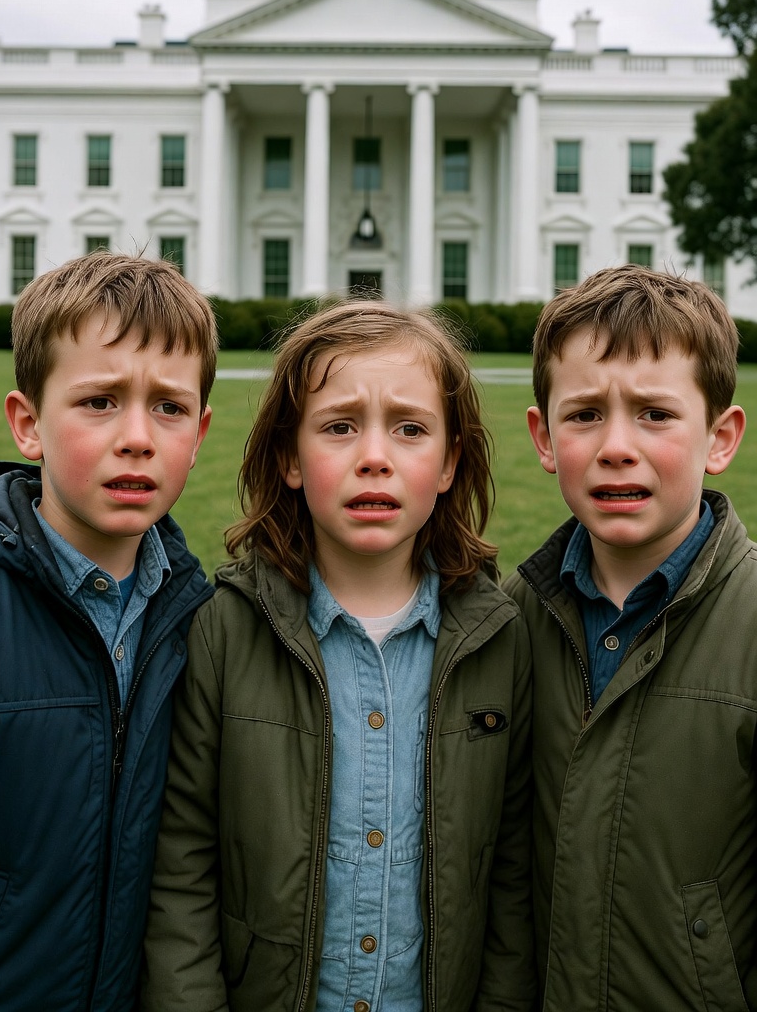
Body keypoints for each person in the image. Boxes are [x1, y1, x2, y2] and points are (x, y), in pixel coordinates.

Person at [140, 300, 535, 1012]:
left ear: (449, 462)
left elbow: (510, 878)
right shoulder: (222, 630)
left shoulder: (499, 641)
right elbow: (182, 870)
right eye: (340, 426)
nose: (374, 456)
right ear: (290, 458)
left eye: (410, 429)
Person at [503, 264, 757, 1012]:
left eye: (654, 414)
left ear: (720, 437)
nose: (616, 445)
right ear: (544, 438)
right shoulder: (507, 620)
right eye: (584, 414)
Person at [0, 252, 217, 1012]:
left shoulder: (199, 617)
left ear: (200, 433)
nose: (137, 437)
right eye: (100, 402)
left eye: (169, 407)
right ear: (28, 424)